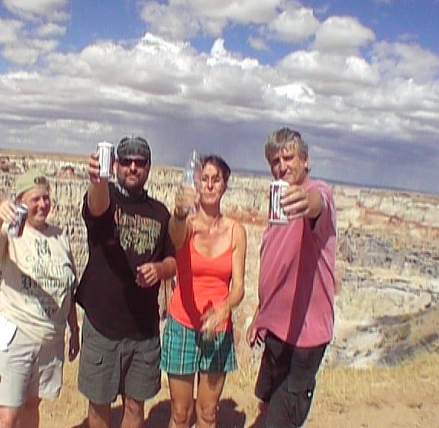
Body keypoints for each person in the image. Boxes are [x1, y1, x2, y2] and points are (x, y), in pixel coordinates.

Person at [75, 136, 177, 428]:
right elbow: (97, 207)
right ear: (116, 164)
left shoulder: (160, 213)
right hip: (103, 326)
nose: (133, 167)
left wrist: (159, 269)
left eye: (140, 162)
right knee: (99, 407)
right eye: (127, 161)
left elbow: (172, 261)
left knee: (135, 406)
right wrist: (96, 181)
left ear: (148, 167)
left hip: (143, 331)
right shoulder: (106, 197)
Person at [246, 127, 337, 428]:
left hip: (305, 338)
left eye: (288, 157)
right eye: (275, 161)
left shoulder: (315, 193)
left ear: (306, 161)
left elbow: (317, 202)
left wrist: (305, 201)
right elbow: (277, 266)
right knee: (267, 400)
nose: (282, 166)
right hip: (277, 330)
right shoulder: (278, 205)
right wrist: (261, 315)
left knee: (282, 419)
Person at [0, 169, 79, 428]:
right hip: (15, 333)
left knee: (32, 405)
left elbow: (68, 288)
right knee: (8, 416)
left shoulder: (59, 236)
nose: (43, 204)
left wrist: (74, 329)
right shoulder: (10, 232)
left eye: (46, 198)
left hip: (50, 339)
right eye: (35, 199)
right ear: (21, 202)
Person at [162, 154, 247, 428]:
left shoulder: (236, 231)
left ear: (224, 186)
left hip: (217, 329)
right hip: (182, 324)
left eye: (216, 180)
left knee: (208, 415)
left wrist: (222, 310)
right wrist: (178, 212)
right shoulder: (187, 225)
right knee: (180, 414)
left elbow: (239, 288)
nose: (210, 185)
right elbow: (175, 236)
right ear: (197, 183)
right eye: (205, 179)